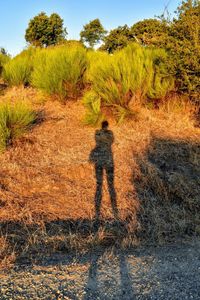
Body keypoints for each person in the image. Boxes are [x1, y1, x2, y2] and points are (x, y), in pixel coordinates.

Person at [89, 121, 118, 220]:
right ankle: (115, 210)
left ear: (101, 126)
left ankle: (97, 213)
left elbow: (97, 141)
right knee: (111, 184)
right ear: (107, 126)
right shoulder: (110, 134)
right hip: (109, 161)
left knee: (99, 184)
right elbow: (111, 141)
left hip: (99, 161)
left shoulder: (97, 133)